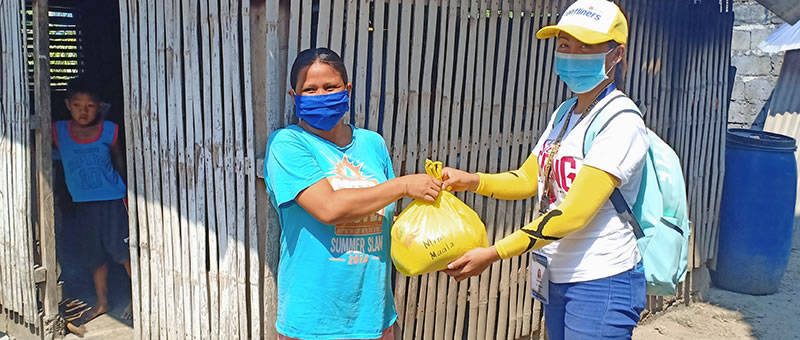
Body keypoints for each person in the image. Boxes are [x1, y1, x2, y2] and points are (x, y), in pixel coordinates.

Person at [441, 1, 648, 339]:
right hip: (557, 273)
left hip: (601, 278)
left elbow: (573, 214)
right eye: (565, 45)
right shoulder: (566, 112)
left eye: (586, 46)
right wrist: (471, 181)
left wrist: (494, 253)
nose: (572, 54)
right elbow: (528, 178)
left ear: (616, 54)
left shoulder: (620, 121)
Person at [264, 48, 441, 340]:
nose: (321, 95)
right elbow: (329, 208)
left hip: (374, 317)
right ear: (294, 96)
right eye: (310, 89)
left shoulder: (373, 144)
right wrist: (404, 185)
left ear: (347, 90)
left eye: (330, 87)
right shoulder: (288, 145)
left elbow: (387, 216)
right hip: (313, 322)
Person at [52, 77, 132, 321]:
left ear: (100, 106)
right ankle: (102, 303)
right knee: (93, 254)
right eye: (77, 105)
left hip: (113, 200)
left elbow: (119, 163)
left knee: (122, 251)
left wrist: (129, 194)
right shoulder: (59, 130)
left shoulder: (110, 130)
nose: (83, 111)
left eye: (90, 105)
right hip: (83, 203)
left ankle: (137, 297)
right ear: (67, 104)